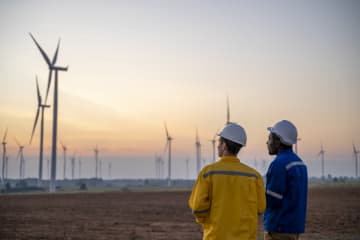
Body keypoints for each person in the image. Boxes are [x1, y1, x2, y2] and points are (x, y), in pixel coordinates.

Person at [189, 122, 266, 240]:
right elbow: (260, 208)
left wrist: (208, 222)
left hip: (215, 236)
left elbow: (197, 207)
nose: (218, 146)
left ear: (224, 145)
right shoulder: (254, 176)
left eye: (219, 142)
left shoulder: (208, 173)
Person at [264, 120, 308, 240]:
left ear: (278, 142)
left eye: (270, 138)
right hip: (294, 228)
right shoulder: (300, 163)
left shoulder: (279, 164)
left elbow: (273, 200)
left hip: (279, 228)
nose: (267, 142)